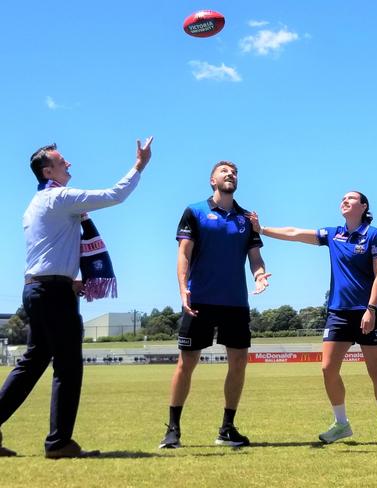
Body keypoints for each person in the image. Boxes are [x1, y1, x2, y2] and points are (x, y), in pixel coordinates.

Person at [0, 137, 154, 459]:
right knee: (68, 366)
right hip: (53, 292)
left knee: (32, 363)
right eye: (62, 161)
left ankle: (55, 441)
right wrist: (139, 166)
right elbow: (115, 195)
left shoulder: (36, 203)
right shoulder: (59, 198)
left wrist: (68, 278)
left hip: (41, 289)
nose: (69, 164)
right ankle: (58, 443)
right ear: (48, 171)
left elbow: (52, 251)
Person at [248, 191, 377, 446]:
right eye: (342, 198)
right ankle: (341, 424)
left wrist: (371, 309)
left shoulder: (374, 235)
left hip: (366, 312)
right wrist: (262, 229)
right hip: (338, 313)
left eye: (351, 198)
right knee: (328, 369)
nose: (345, 200)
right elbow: (295, 233)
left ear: (363, 206)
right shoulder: (333, 234)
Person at [159, 161, 270, 449]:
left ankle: (227, 429)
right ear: (212, 180)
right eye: (224, 172)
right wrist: (183, 289)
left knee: (239, 363)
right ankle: (172, 430)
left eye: (234, 172)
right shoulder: (194, 211)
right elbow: (184, 254)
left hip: (235, 303)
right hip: (200, 300)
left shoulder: (247, 218)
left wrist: (259, 276)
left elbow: (255, 258)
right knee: (187, 363)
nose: (230, 175)